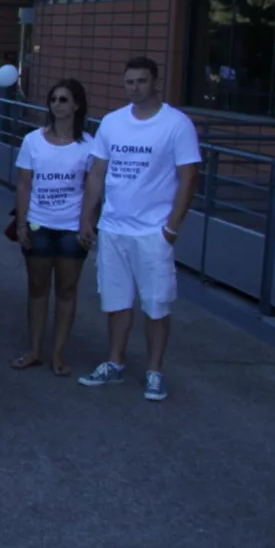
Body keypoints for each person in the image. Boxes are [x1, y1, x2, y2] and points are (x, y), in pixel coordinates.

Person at [78, 58, 200, 401]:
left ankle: (154, 371)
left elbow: (189, 178)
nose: (135, 87)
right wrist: (88, 216)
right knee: (115, 302)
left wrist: (171, 229)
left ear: (155, 83)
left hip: (153, 232)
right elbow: (98, 173)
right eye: (129, 81)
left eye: (142, 81)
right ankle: (115, 363)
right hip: (114, 228)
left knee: (156, 304)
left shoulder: (176, 124)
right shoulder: (113, 123)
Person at [11, 79, 93, 377]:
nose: (57, 105)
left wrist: (87, 224)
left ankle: (58, 353)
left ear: (77, 105)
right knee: (37, 288)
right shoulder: (33, 140)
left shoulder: (89, 146)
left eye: (64, 100)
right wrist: (21, 222)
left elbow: (92, 189)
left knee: (67, 290)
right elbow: (23, 183)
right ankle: (34, 349)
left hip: (72, 228)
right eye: (54, 99)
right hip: (38, 224)